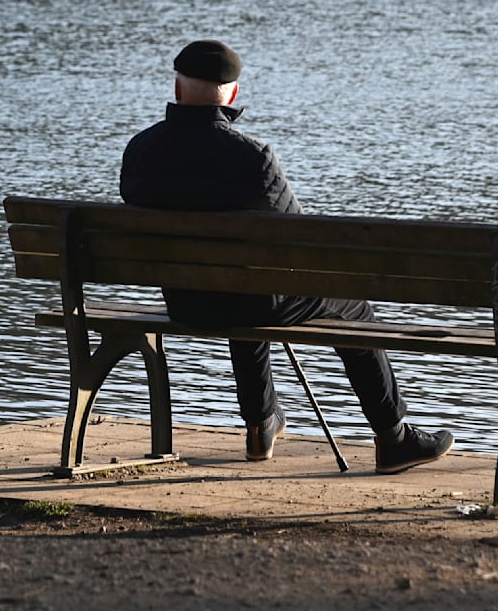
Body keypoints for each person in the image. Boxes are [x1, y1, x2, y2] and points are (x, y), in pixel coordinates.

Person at [119, 39, 453, 474]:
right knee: (350, 304)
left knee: (243, 285)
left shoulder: (139, 151)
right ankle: (394, 438)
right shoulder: (252, 157)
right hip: (243, 296)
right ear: (233, 95)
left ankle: (261, 425)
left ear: (177, 90)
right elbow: (301, 242)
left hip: (185, 302)